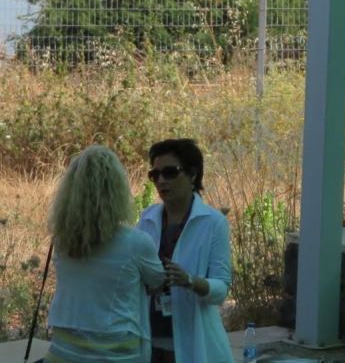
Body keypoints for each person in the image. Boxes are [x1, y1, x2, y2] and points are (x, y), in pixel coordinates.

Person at [45, 145, 166, 363]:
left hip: (63, 351)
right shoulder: (136, 243)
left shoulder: (62, 241)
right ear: (117, 192)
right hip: (116, 353)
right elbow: (158, 281)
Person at [137, 138, 234, 363]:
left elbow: (221, 289)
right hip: (149, 340)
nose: (161, 181)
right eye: (155, 175)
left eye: (170, 172)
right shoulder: (147, 219)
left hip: (192, 341)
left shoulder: (213, 223)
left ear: (192, 175)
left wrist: (189, 281)